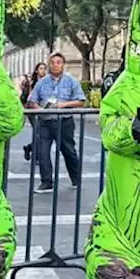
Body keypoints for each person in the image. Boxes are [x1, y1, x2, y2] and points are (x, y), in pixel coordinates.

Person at [28, 53, 86, 193]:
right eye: (52, 62)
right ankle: (47, 182)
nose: (55, 65)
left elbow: (81, 101)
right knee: (43, 152)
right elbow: (32, 100)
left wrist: (64, 104)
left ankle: (76, 179)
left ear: (63, 64)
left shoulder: (71, 81)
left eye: (58, 62)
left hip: (64, 121)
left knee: (68, 151)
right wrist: (39, 108)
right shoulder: (42, 82)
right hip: (45, 121)